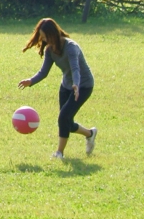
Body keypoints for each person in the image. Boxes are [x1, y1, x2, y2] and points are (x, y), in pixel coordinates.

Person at [19, 17, 97, 161]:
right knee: (66, 121)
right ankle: (90, 134)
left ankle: (59, 153)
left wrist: (76, 84)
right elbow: (43, 72)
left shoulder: (71, 47)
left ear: (53, 33)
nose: (43, 40)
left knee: (63, 118)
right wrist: (31, 81)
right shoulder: (50, 50)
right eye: (41, 37)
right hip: (66, 86)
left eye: (45, 36)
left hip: (82, 86)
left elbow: (75, 69)